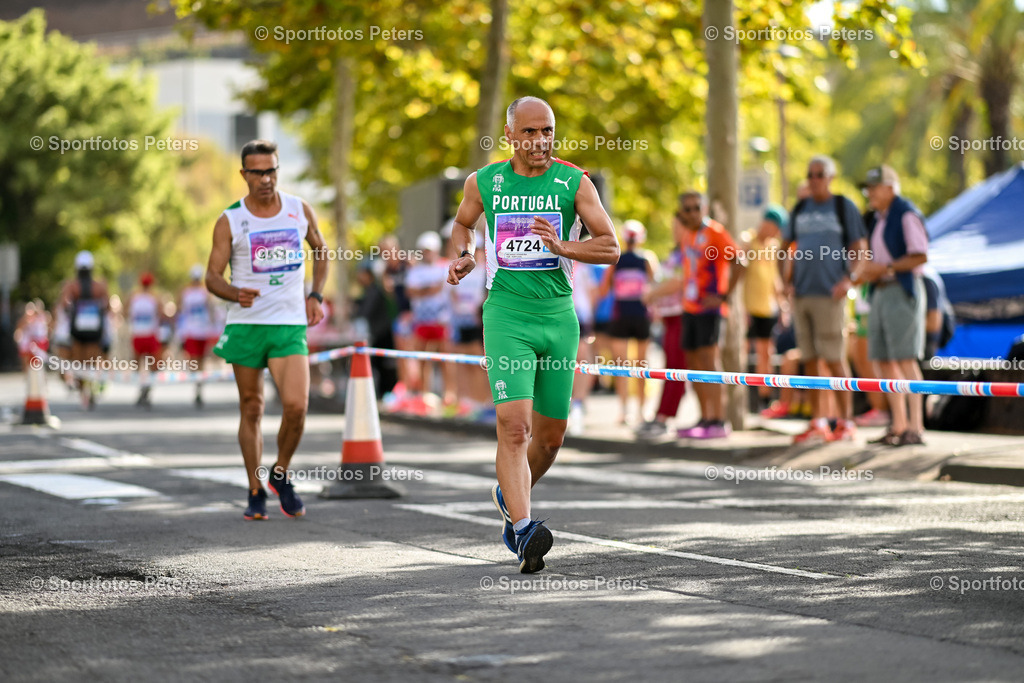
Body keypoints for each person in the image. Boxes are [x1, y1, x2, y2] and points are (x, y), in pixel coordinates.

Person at [446, 96, 619, 573]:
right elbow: (462, 224)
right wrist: (464, 253)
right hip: (506, 314)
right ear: (510, 136)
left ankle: (509, 493)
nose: (541, 141)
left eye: (547, 131)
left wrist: (562, 245)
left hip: (559, 317)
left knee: (550, 438)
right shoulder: (484, 182)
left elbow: (610, 246)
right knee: (515, 427)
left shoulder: (572, 181)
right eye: (530, 132)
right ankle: (524, 530)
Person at [206, 139, 328, 520]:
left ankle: (281, 472)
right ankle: (255, 488)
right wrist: (232, 291)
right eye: (257, 172)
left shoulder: (297, 209)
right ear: (244, 175)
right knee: (252, 407)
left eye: (271, 170)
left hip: (289, 324)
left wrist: (316, 295)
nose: (265, 179)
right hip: (247, 324)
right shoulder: (230, 219)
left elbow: (321, 250)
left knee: (296, 407)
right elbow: (212, 276)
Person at [781, 155, 867, 444]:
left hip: (830, 296)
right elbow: (784, 246)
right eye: (810, 174)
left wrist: (850, 280)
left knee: (834, 358)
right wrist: (784, 282)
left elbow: (859, 248)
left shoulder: (843, 206)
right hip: (802, 294)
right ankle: (818, 421)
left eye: (819, 174)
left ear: (830, 177)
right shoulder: (800, 208)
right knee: (809, 359)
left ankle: (846, 421)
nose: (814, 179)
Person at [647, 191, 745, 439]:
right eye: (686, 209)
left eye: (696, 208)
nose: (691, 213)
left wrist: (724, 295)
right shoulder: (688, 235)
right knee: (693, 364)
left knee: (710, 363)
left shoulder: (715, 231)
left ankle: (718, 421)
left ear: (704, 208)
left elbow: (740, 262)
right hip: (688, 308)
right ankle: (704, 418)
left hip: (709, 309)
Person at [854, 165, 929, 446]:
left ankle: (916, 426)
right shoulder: (877, 218)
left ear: (889, 188)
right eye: (868, 189)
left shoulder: (906, 214)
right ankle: (898, 425)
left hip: (901, 289)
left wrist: (883, 268)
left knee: (905, 358)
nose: (869, 193)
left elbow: (920, 256)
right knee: (884, 359)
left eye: (874, 188)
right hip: (880, 292)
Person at [598, 220, 656, 425]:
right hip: (640, 316)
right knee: (640, 365)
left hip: (621, 315)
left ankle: (625, 411)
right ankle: (641, 410)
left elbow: (603, 290)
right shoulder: (647, 259)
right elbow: (654, 286)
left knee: (621, 366)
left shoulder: (616, 260)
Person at [636, 210, 687, 439]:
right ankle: (662, 415)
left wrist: (652, 293)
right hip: (670, 317)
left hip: (682, 316)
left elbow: (679, 281)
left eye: (677, 227)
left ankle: (664, 417)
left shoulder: (687, 253)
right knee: (672, 367)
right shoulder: (676, 252)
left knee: (675, 368)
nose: (674, 231)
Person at [743, 205, 787, 412]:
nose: (777, 232)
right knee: (743, 351)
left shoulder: (774, 246)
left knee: (765, 353)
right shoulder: (747, 241)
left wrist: (782, 305)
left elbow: (774, 279)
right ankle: (740, 398)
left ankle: (764, 399)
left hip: (767, 308)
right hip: (748, 307)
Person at [406, 230, 454, 411]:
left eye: (430, 250)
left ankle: (449, 394)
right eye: (424, 250)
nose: (427, 253)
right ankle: (425, 394)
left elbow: (440, 288)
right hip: (422, 320)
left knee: (446, 358)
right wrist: (429, 289)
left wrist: (423, 290)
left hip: (441, 320)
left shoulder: (444, 266)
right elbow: (412, 291)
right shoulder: (416, 269)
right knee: (422, 358)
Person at [59, 251, 110, 409]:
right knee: (95, 359)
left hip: (77, 331)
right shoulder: (100, 286)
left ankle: (84, 391)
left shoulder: (71, 286)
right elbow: (107, 305)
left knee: (78, 362)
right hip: (95, 331)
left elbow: (64, 304)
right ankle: (93, 388)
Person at [178, 264, 217, 407]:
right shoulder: (188, 292)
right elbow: (181, 311)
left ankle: (198, 386)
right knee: (194, 360)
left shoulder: (203, 292)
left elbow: (211, 310)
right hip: (192, 330)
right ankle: (197, 384)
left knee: (200, 360)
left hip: (202, 330)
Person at [129, 272, 162, 408]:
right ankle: (146, 387)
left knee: (138, 364)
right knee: (152, 365)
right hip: (150, 334)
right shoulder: (154, 298)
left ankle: (142, 388)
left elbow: (126, 312)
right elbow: (161, 314)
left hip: (138, 334)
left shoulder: (134, 297)